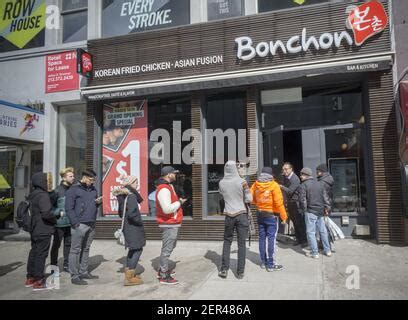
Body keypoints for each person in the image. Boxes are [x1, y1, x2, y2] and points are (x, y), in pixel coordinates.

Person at [66, 169, 102, 285]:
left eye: (94, 180)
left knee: (86, 248)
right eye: (91, 180)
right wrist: (75, 223)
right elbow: (69, 208)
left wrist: (97, 203)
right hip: (79, 224)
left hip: (91, 223)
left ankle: (84, 271)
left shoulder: (93, 189)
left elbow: (91, 204)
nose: (93, 182)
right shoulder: (74, 190)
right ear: (85, 178)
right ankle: (74, 276)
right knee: (75, 250)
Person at [218, 161, 252, 279]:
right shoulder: (242, 182)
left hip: (228, 215)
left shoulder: (221, 183)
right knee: (241, 243)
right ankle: (240, 272)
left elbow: (221, 195)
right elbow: (249, 199)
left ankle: (224, 269)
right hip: (241, 214)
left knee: (227, 241)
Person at [250, 167, 287, 271]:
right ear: (271, 175)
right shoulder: (274, 185)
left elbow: (251, 199)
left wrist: (259, 204)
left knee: (262, 239)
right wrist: (284, 217)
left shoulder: (255, 184)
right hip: (271, 215)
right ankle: (271, 264)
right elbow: (279, 203)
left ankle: (263, 262)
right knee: (271, 239)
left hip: (260, 214)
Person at [25, 172, 57, 291]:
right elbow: (47, 213)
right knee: (41, 255)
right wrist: (55, 218)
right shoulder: (43, 195)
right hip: (43, 229)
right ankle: (39, 281)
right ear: (41, 182)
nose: (47, 182)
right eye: (46, 180)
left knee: (34, 252)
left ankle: (30, 277)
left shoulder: (32, 194)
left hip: (34, 229)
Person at [156, 166, 186, 285]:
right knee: (167, 249)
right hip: (168, 223)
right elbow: (167, 209)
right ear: (168, 175)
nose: (175, 175)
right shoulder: (164, 189)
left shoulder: (168, 186)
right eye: (174, 173)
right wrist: (179, 202)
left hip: (172, 223)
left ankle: (162, 268)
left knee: (170, 247)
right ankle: (163, 275)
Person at [113, 175, 145, 286]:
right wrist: (140, 222)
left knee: (132, 249)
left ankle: (128, 273)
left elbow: (120, 214)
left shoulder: (122, 195)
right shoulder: (131, 196)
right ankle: (130, 277)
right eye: (136, 182)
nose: (137, 185)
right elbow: (132, 214)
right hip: (133, 228)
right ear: (131, 183)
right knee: (138, 249)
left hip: (127, 226)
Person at [299, 167, 332, 259]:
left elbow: (302, 200)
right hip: (320, 211)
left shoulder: (303, 185)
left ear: (306, 175)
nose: (300, 176)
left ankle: (315, 253)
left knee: (310, 232)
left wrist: (305, 210)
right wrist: (327, 208)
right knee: (323, 231)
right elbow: (326, 197)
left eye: (301, 174)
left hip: (310, 211)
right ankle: (327, 250)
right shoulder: (319, 184)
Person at [49, 167, 75, 273]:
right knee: (56, 245)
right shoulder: (57, 191)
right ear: (64, 178)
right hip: (59, 224)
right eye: (71, 176)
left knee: (68, 244)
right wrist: (58, 212)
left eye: (73, 176)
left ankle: (66, 265)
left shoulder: (73, 190)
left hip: (70, 223)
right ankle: (53, 267)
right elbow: (50, 207)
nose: (73, 178)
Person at [280, 162, 307, 247]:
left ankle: (304, 241)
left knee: (300, 222)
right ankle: (298, 239)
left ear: (291, 169)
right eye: (283, 169)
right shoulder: (286, 178)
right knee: (294, 222)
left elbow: (290, 191)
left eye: (286, 169)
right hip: (291, 203)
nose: (284, 171)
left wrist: (281, 186)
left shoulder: (295, 178)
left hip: (296, 203)